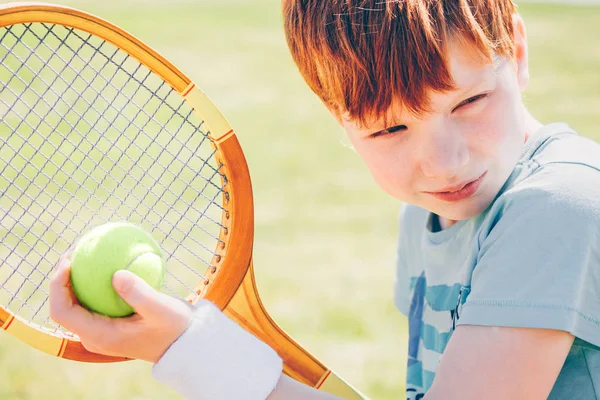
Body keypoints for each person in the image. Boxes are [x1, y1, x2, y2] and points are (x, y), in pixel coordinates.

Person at [50, 0, 600, 399]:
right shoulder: (430, 213)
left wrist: (193, 352)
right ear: (339, 119)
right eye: (388, 130)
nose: (445, 163)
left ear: (519, 54)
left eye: (471, 101)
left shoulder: (559, 206)